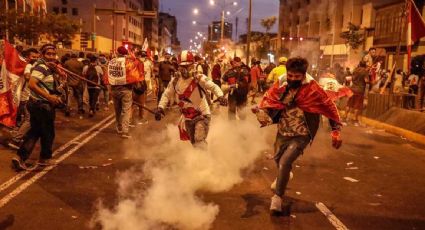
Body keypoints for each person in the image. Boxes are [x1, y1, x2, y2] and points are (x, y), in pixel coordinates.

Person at [253, 57, 342, 214]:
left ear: (303, 75)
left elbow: (329, 106)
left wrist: (336, 131)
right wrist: (260, 111)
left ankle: (277, 198)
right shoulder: (281, 85)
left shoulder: (313, 89)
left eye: (297, 77)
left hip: (302, 133)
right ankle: (285, 174)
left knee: (285, 161)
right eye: (290, 75)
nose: (293, 79)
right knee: (279, 160)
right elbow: (269, 102)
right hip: (283, 131)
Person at [155, 50, 227, 148]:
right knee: (194, 143)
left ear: (192, 66)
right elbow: (166, 95)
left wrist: (220, 96)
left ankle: (202, 162)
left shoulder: (199, 78)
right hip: (187, 117)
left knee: (199, 140)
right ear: (178, 67)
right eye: (182, 67)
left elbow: (213, 86)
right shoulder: (175, 80)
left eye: (187, 66)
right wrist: (160, 108)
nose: (185, 69)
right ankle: (202, 159)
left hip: (202, 115)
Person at [12, 44, 64, 171]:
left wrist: (56, 70)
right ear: (42, 55)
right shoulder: (41, 67)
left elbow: (63, 78)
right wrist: (49, 97)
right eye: (48, 54)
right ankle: (43, 158)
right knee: (47, 133)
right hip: (41, 105)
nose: (51, 56)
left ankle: (20, 157)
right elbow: (32, 84)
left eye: (53, 54)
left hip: (39, 105)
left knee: (35, 132)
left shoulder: (48, 67)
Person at [107, 46, 143, 138]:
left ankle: (119, 127)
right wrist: (134, 58)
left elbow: (107, 75)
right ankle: (125, 131)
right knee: (126, 111)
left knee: (117, 110)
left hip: (114, 89)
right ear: (125, 53)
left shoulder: (111, 62)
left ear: (118, 53)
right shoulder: (128, 62)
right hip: (126, 90)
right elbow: (135, 69)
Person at [8, 48, 40, 150]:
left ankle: (18, 135)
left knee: (26, 118)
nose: (35, 59)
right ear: (27, 57)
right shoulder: (29, 66)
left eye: (36, 57)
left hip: (26, 97)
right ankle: (16, 140)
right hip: (26, 98)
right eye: (33, 57)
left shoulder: (31, 66)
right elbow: (27, 77)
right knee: (29, 119)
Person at [344, 61, 369, 125]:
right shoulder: (365, 71)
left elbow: (352, 78)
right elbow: (366, 81)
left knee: (349, 104)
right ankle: (354, 119)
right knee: (357, 106)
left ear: (359, 64)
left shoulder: (355, 70)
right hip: (360, 90)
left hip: (352, 89)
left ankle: (344, 117)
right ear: (365, 65)